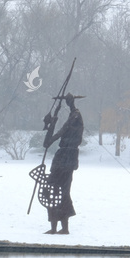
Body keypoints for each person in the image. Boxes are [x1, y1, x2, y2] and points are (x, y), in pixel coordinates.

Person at [43, 93, 84, 234]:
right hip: (61, 158)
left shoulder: (76, 117)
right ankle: (54, 226)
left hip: (68, 159)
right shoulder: (72, 120)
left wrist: (72, 105)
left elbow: (68, 124)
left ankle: (64, 228)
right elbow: (47, 143)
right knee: (51, 190)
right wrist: (51, 123)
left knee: (63, 192)